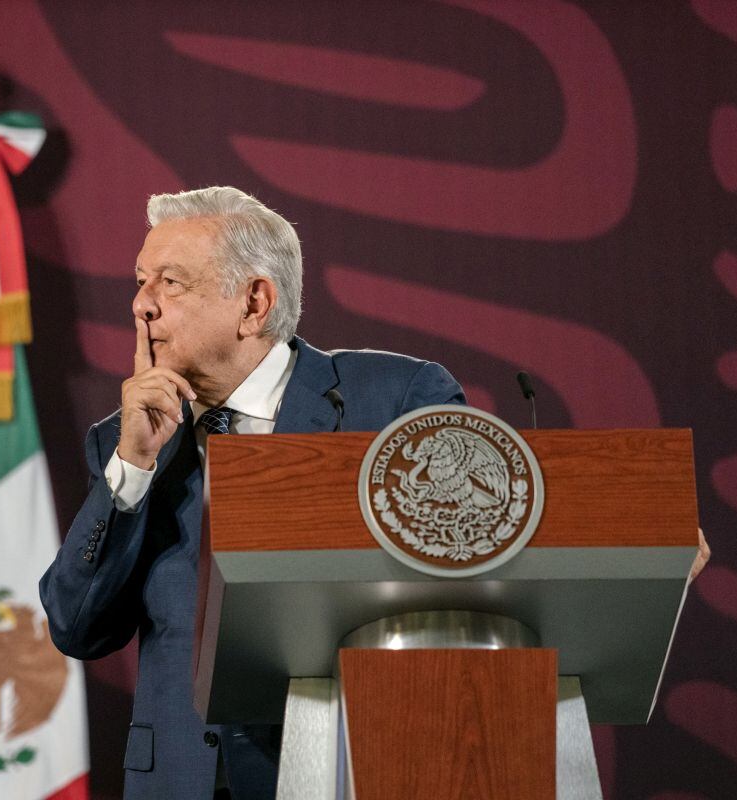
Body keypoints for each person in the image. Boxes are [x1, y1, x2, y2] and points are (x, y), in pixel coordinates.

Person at [39, 186, 465, 799]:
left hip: (353, 772)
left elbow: (463, 576)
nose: (140, 306)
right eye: (140, 282)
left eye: (170, 283)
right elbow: (77, 627)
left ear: (254, 303)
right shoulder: (123, 441)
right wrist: (132, 466)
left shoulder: (397, 401)